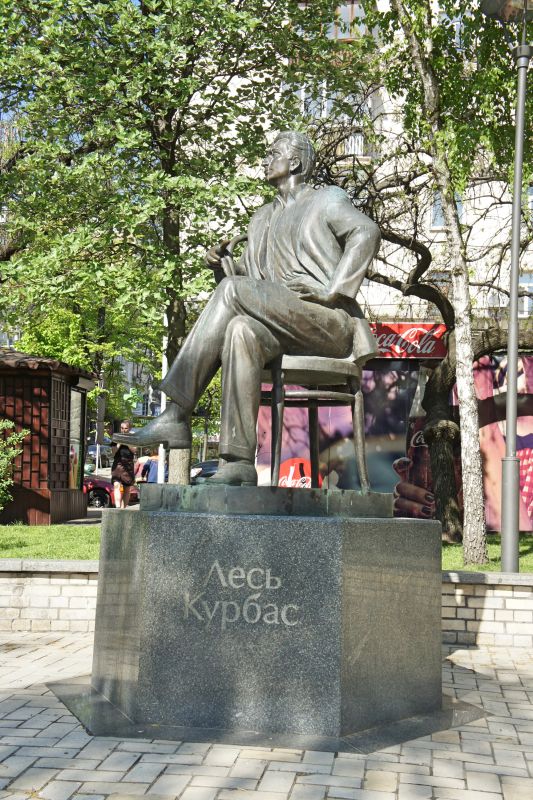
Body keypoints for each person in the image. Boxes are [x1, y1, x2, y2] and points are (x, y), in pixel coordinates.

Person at [115, 131, 380, 485]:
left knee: (233, 292)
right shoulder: (261, 218)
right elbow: (249, 283)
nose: (265, 160)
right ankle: (237, 463)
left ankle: (177, 414)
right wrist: (222, 265)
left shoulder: (326, 199)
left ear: (295, 162)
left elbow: (366, 232)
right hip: (279, 324)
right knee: (240, 331)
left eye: (273, 153)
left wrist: (334, 290)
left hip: (326, 321)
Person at [111, 420, 136, 508]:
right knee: (116, 484)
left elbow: (134, 450)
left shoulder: (133, 438)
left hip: (128, 464)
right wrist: (119, 443)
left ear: (130, 429)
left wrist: (127, 442)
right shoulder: (116, 437)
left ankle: (123, 508)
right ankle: (118, 507)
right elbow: (113, 453)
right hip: (118, 463)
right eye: (122, 428)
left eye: (126, 428)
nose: (123, 430)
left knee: (127, 488)